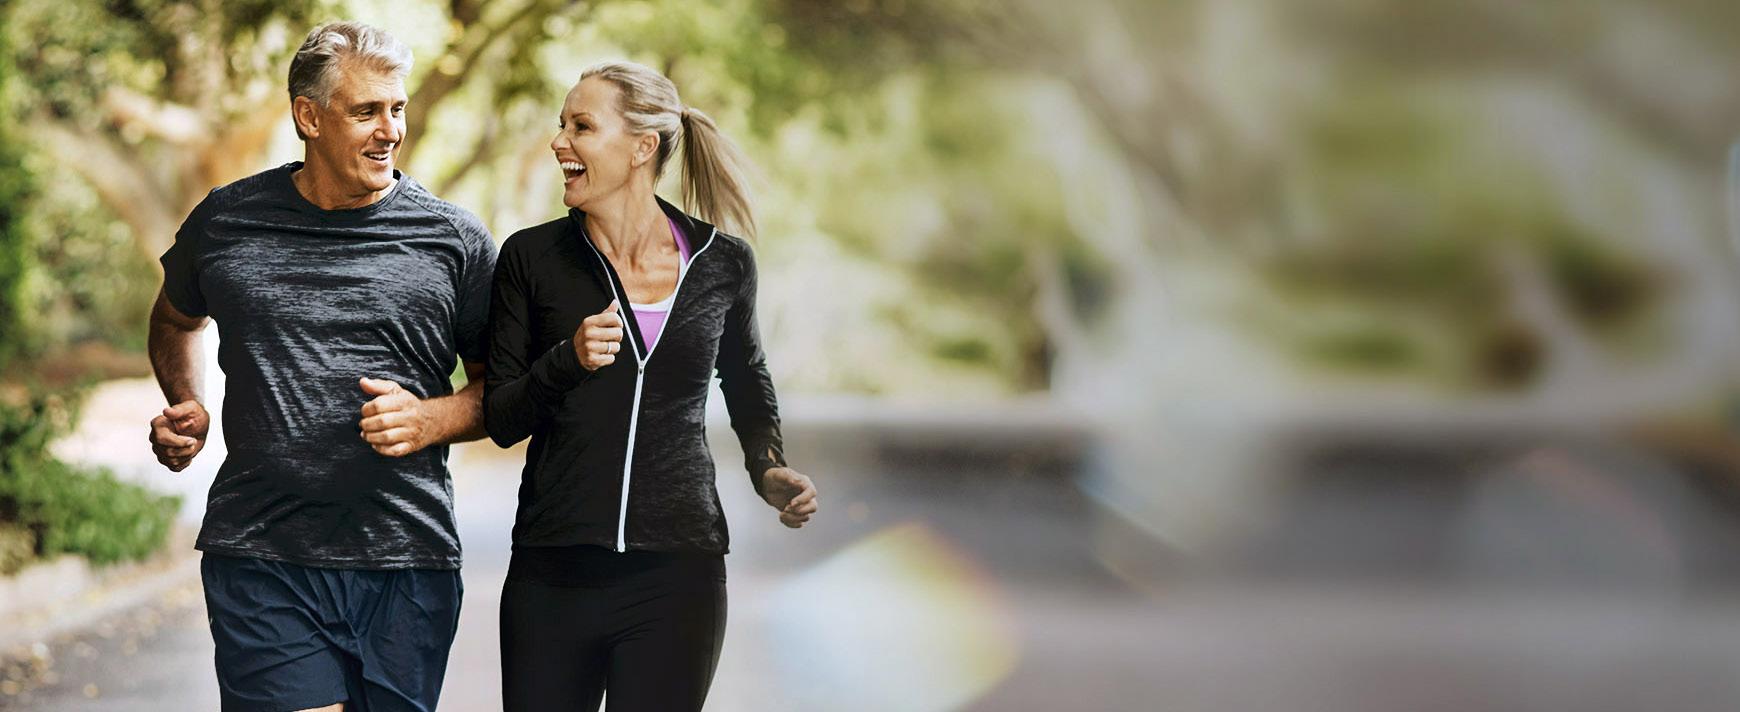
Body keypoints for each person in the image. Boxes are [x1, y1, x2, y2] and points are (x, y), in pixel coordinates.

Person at [145, 21, 496, 712]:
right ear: (308, 116)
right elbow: (175, 320)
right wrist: (188, 402)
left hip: (407, 559)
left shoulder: (453, 239)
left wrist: (431, 419)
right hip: (262, 551)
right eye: (366, 111)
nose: (390, 130)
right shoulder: (226, 222)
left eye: (397, 108)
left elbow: (502, 392)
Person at [485, 60, 819, 711]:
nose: (559, 142)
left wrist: (767, 466)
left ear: (642, 147)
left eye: (581, 126)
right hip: (554, 574)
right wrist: (567, 360)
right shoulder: (531, 258)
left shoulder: (723, 263)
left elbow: (747, 382)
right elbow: (500, 417)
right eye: (561, 125)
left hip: (678, 575)